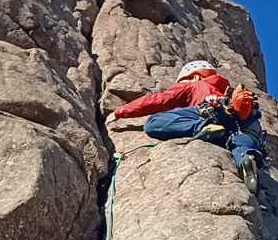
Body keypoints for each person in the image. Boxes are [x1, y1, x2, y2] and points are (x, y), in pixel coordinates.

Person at [108, 59, 267, 193]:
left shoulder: (195, 85)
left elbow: (159, 100)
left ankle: (203, 127)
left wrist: (120, 112)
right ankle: (245, 158)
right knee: (239, 141)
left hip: (211, 112)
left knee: (153, 124)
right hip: (247, 126)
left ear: (195, 76)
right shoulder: (230, 94)